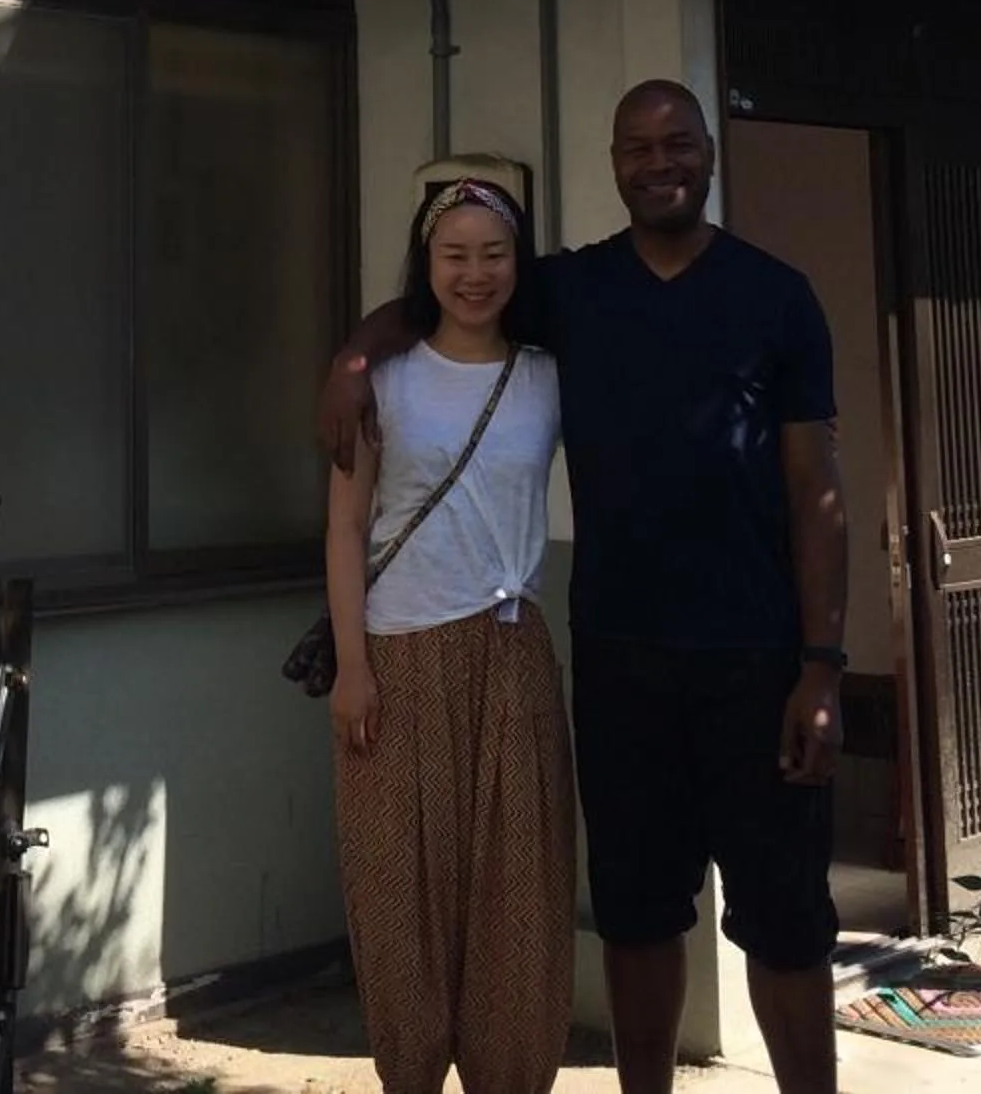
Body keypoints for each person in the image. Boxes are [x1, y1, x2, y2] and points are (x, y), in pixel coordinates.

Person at [321, 84, 849, 1094]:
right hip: (620, 655)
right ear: (613, 163)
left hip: (759, 655)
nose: (660, 162)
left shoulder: (777, 296)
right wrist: (351, 360)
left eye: (678, 143)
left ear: (708, 153)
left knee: (785, 916)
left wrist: (822, 668)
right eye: (637, 147)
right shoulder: (573, 290)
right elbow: (439, 293)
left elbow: (817, 492)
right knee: (638, 911)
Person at [327, 175, 572, 1094]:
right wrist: (352, 665)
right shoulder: (382, 382)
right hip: (397, 653)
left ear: (518, 263)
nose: (475, 274)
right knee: (402, 894)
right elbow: (346, 527)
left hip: (512, 654)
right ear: (425, 265)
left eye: (494, 253)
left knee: (520, 897)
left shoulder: (549, 376)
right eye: (454, 254)